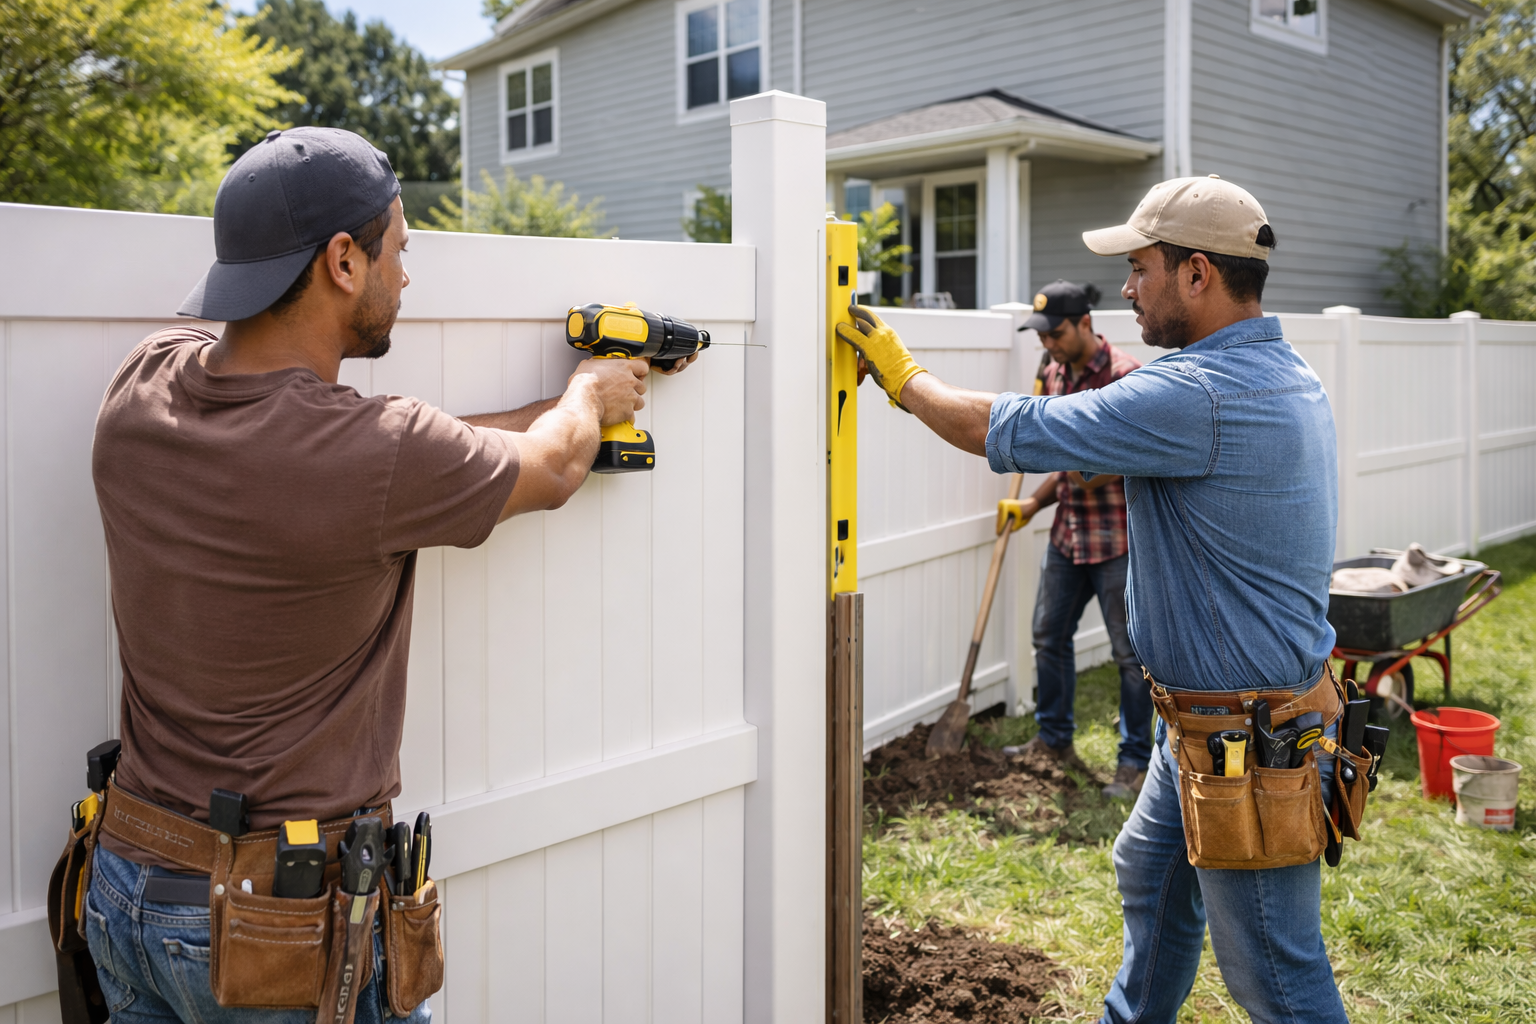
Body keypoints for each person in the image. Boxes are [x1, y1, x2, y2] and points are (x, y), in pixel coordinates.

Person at [87, 127, 693, 1024]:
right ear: (342, 260)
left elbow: (368, 452)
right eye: (399, 249)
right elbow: (554, 470)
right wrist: (590, 397)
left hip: (127, 887)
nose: (405, 275)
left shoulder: (141, 385)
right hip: (273, 931)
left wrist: (534, 414)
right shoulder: (373, 454)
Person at [838, 176, 1349, 1022]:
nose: (1126, 288)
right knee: (1149, 873)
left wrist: (898, 371)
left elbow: (1005, 430)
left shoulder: (1198, 394)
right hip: (1203, 725)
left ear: (1196, 275)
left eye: (1140, 267)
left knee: (1277, 977)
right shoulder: (1280, 371)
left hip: (1246, 740)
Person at [1007, 279, 1150, 801]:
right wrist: (1033, 504)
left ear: (1086, 323)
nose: (1049, 344)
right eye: (1042, 336)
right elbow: (1069, 466)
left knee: (1131, 657)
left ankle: (1134, 762)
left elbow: (1128, 459)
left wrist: (1086, 464)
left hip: (1116, 541)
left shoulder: (1124, 376)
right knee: (1048, 635)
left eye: (1057, 333)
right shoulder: (1052, 373)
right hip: (1068, 536)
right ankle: (1053, 740)